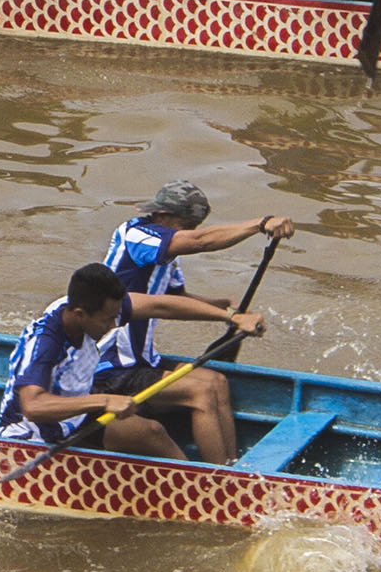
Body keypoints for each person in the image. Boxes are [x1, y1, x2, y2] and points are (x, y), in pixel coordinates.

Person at [98, 182, 291, 462]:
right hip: (110, 366)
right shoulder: (136, 235)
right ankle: (216, 483)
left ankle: (231, 468)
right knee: (201, 392)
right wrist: (261, 224)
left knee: (217, 381)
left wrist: (224, 305)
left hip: (138, 359)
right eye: (187, 224)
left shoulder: (168, 257)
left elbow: (177, 299)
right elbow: (200, 243)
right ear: (161, 215)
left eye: (195, 225)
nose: (191, 231)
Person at [0, 261, 255, 456]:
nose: (114, 325)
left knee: (152, 428)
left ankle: (221, 480)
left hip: (75, 416)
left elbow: (161, 306)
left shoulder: (89, 308)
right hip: (34, 436)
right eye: (108, 319)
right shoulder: (45, 344)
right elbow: (32, 407)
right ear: (80, 314)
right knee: (152, 432)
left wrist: (230, 317)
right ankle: (201, 495)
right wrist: (105, 400)